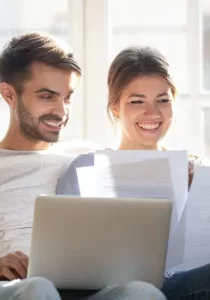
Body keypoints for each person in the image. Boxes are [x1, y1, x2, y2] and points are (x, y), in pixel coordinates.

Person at [0, 34, 165, 300]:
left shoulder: (84, 157)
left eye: (67, 97)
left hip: (80, 290)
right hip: (0, 290)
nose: (61, 111)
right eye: (47, 96)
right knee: (38, 288)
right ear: (9, 94)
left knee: (141, 292)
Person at [56, 46, 210, 300]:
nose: (152, 113)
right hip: (114, 291)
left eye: (163, 100)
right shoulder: (86, 168)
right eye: (137, 101)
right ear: (115, 108)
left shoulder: (197, 169)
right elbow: (63, 259)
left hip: (185, 287)